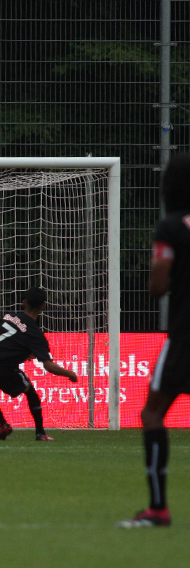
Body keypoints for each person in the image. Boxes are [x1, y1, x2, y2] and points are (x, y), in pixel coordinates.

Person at [117, 153, 190, 528]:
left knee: (152, 413)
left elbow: (158, 284)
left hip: (184, 336)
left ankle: (158, 508)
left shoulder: (172, 227)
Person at [0, 287, 79, 442]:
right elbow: (48, 366)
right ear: (43, 306)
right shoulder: (35, 334)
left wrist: (17, 352)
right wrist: (70, 374)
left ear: (24, 303)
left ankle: (3, 424)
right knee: (31, 392)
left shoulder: (9, 316)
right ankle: (40, 433)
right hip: (5, 369)